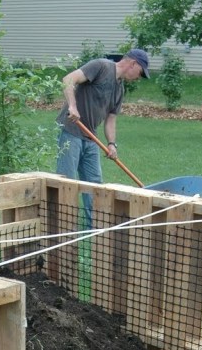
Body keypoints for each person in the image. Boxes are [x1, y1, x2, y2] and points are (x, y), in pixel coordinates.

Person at [56, 48, 150, 227]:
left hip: (91, 137)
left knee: (95, 184)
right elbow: (68, 79)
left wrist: (112, 144)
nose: (139, 77)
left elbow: (110, 120)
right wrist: (73, 107)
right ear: (133, 63)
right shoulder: (101, 66)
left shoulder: (119, 89)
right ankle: (63, 224)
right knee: (66, 181)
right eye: (140, 72)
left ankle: (96, 226)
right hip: (72, 131)